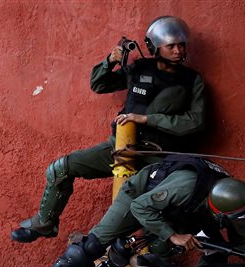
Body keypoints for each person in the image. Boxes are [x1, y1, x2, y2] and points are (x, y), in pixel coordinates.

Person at [11, 16, 206, 243]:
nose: (178, 51)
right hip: (119, 147)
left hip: (158, 159)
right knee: (61, 168)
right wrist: (110, 61)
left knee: (152, 211)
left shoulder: (192, 81)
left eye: (181, 45)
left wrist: (147, 119)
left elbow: (195, 122)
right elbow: (99, 84)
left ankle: (151, 259)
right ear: (155, 47)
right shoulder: (140, 69)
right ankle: (44, 224)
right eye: (170, 46)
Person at [21, 155, 245, 267]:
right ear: (218, 209)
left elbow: (240, 233)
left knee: (216, 251)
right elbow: (141, 206)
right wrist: (172, 235)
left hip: (183, 209)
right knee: (89, 248)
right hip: (140, 197)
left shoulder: (231, 196)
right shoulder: (187, 186)